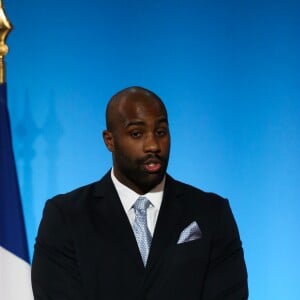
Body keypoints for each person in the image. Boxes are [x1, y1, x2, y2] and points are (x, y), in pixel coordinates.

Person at [31, 86, 248, 299]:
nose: (153, 145)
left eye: (161, 132)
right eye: (137, 133)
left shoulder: (212, 213)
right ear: (109, 140)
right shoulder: (66, 216)